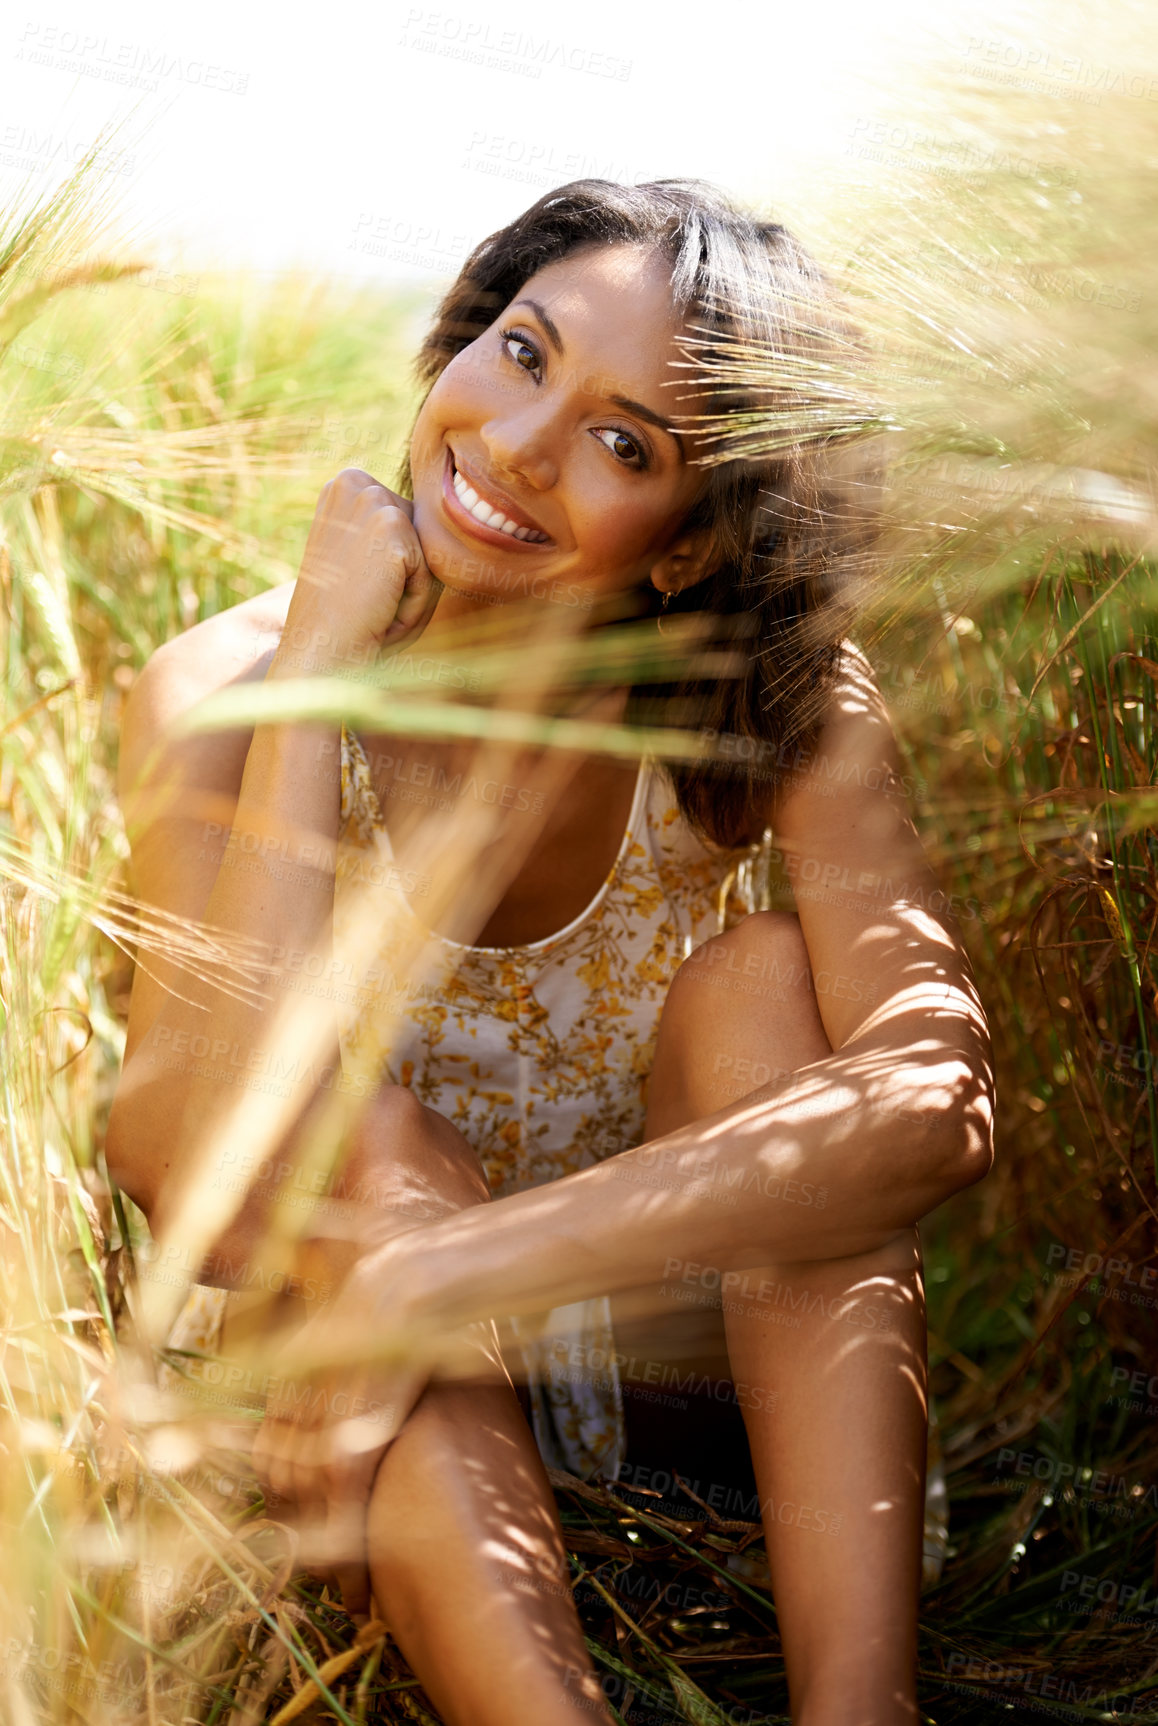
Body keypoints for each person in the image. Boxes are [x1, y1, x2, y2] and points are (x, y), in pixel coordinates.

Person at [105, 179, 994, 1726]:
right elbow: (203, 1171)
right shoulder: (222, 692)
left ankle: (863, 1707)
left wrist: (453, 1271)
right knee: (374, 1151)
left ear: (685, 545)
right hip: (352, 1406)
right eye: (522, 354)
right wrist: (312, 683)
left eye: (624, 440)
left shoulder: (774, 707)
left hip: (671, 1380)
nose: (519, 443)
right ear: (461, 341)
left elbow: (938, 1100)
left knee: (762, 990)